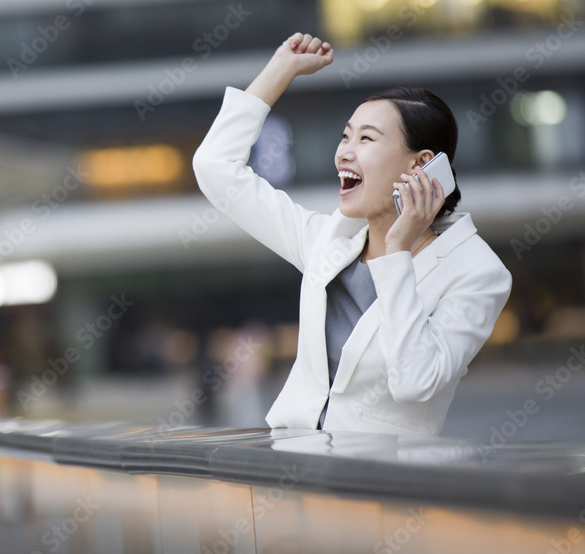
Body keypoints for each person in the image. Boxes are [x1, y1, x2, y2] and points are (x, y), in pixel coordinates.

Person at [191, 32, 512, 436]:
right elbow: (215, 169)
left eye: (366, 139)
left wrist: (396, 251)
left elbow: (415, 384)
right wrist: (280, 70)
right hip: (291, 470)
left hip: (382, 487)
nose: (344, 151)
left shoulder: (478, 273)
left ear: (421, 165)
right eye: (345, 136)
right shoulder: (328, 240)